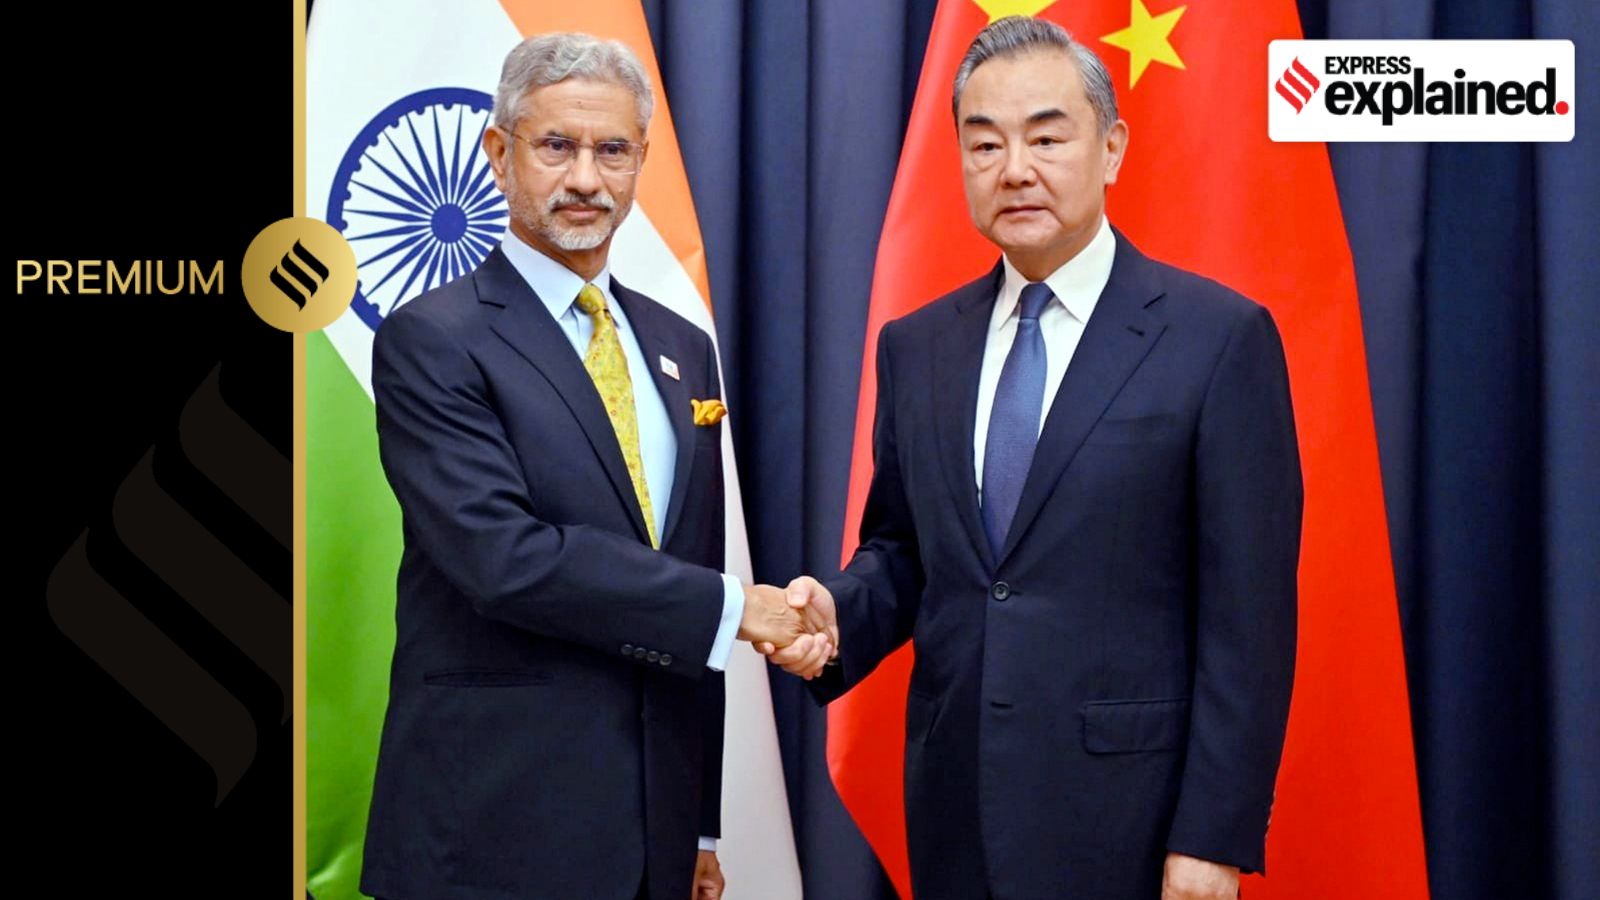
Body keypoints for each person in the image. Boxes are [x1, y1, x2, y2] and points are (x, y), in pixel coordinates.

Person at [764, 16, 1302, 900]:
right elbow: (905, 553)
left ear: (1111, 148)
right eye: (985, 144)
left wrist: (1214, 835)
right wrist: (836, 617)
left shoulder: (1217, 339)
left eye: (1047, 138)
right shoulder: (918, 346)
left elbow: (1251, 618)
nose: (1015, 169)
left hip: (1132, 823)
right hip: (956, 813)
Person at [360, 32, 818, 900]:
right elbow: (503, 560)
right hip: (492, 833)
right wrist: (735, 608)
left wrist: (698, 823)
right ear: (500, 154)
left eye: (612, 150)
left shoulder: (683, 348)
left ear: (640, 159)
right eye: (556, 146)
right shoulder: (434, 339)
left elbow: (687, 569)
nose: (584, 179)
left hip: (653, 838)